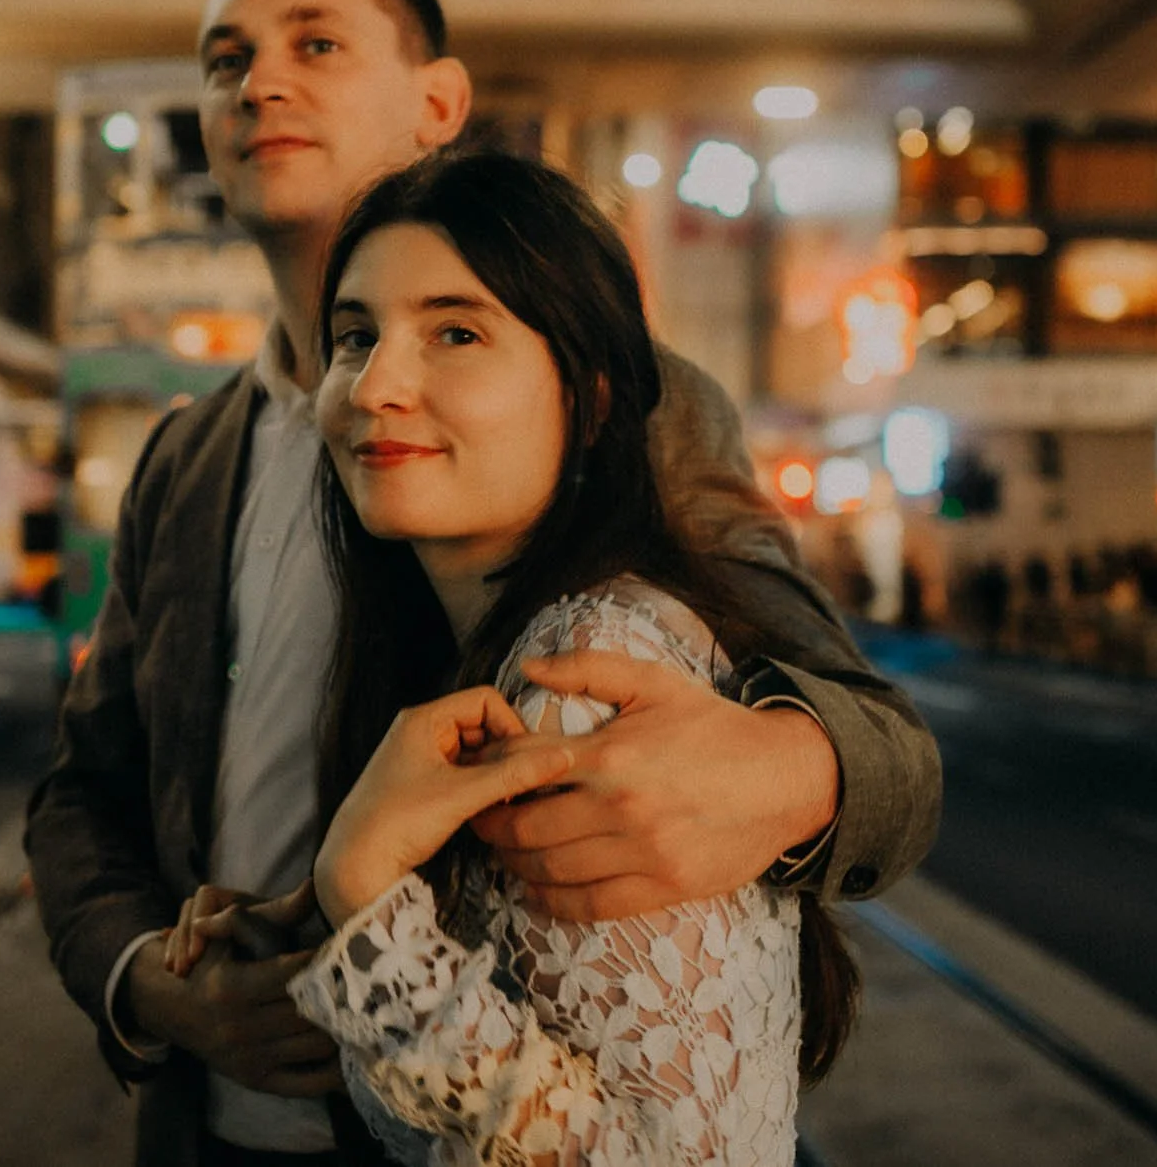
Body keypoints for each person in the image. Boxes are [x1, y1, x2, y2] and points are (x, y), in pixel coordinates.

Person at [26, 0, 941, 1167]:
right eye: (226, 60)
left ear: (437, 104)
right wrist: (154, 985)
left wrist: (790, 770)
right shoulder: (184, 459)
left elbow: (878, 737)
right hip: (216, 1123)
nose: (261, 85)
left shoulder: (625, 406)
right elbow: (87, 787)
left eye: (317, 45)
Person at [170, 150, 859, 1162]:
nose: (375, 386)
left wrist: (365, 895)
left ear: (585, 397)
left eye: (455, 332)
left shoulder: (586, 676)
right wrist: (322, 923)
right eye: (355, 336)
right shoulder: (482, 650)